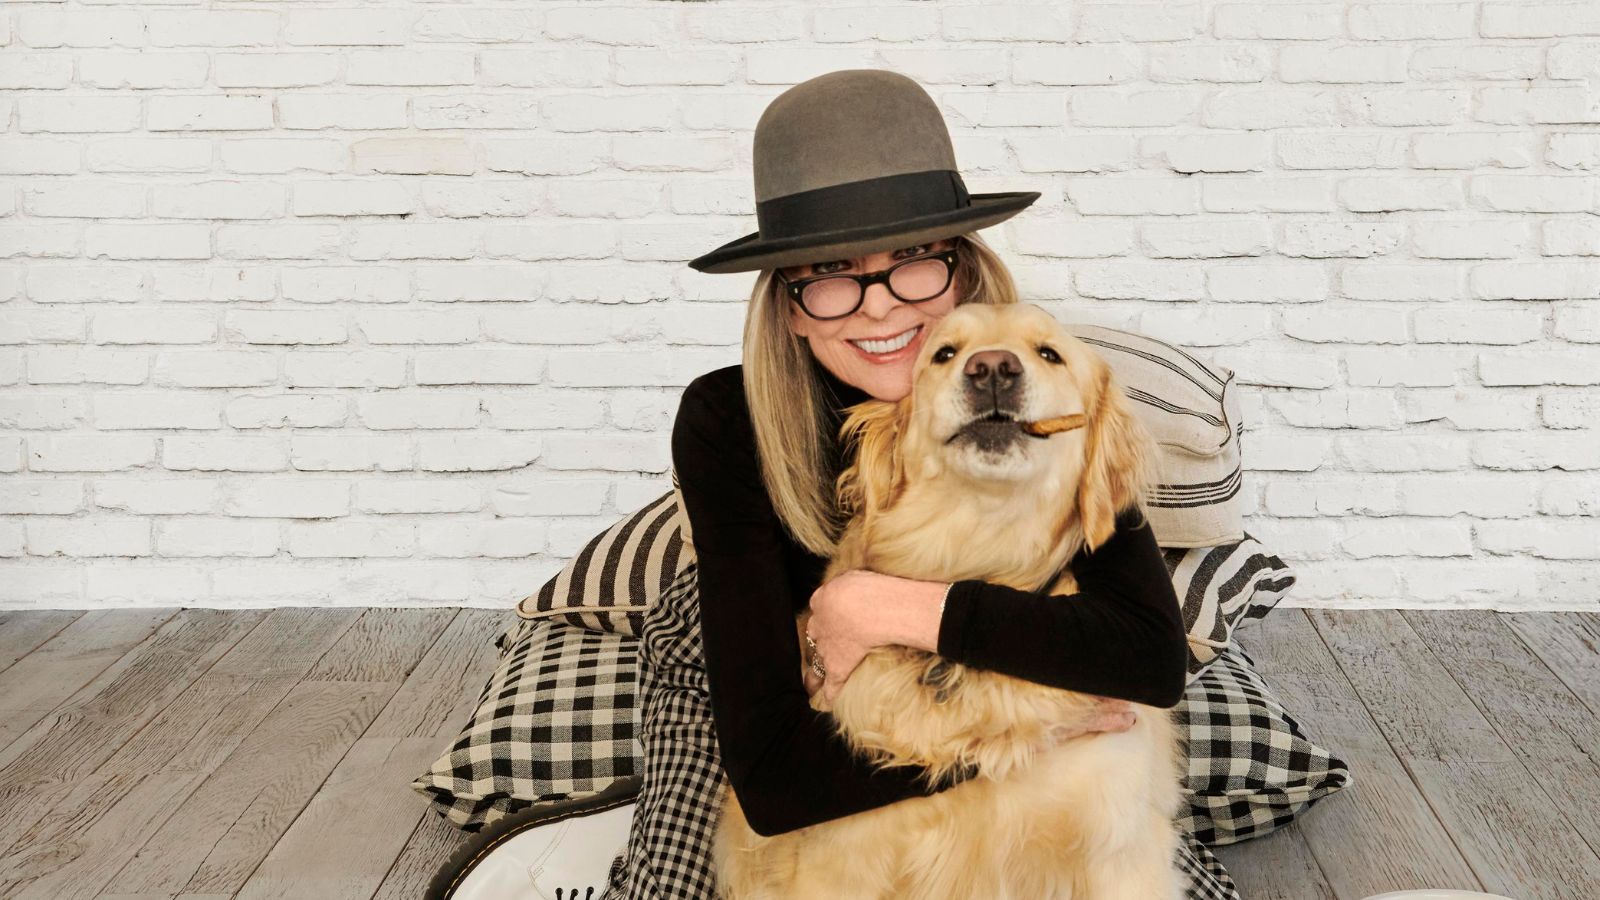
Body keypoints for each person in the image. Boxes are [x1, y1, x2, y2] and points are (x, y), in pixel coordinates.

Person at [602, 69, 1234, 900]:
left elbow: (1150, 660)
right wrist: (1023, 742)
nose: (880, 309)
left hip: (996, 652)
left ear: (961, 272)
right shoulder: (727, 420)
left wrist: (883, 607)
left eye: (914, 264)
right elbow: (779, 782)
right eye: (831, 272)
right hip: (762, 669)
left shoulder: (1044, 407)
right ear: (790, 305)